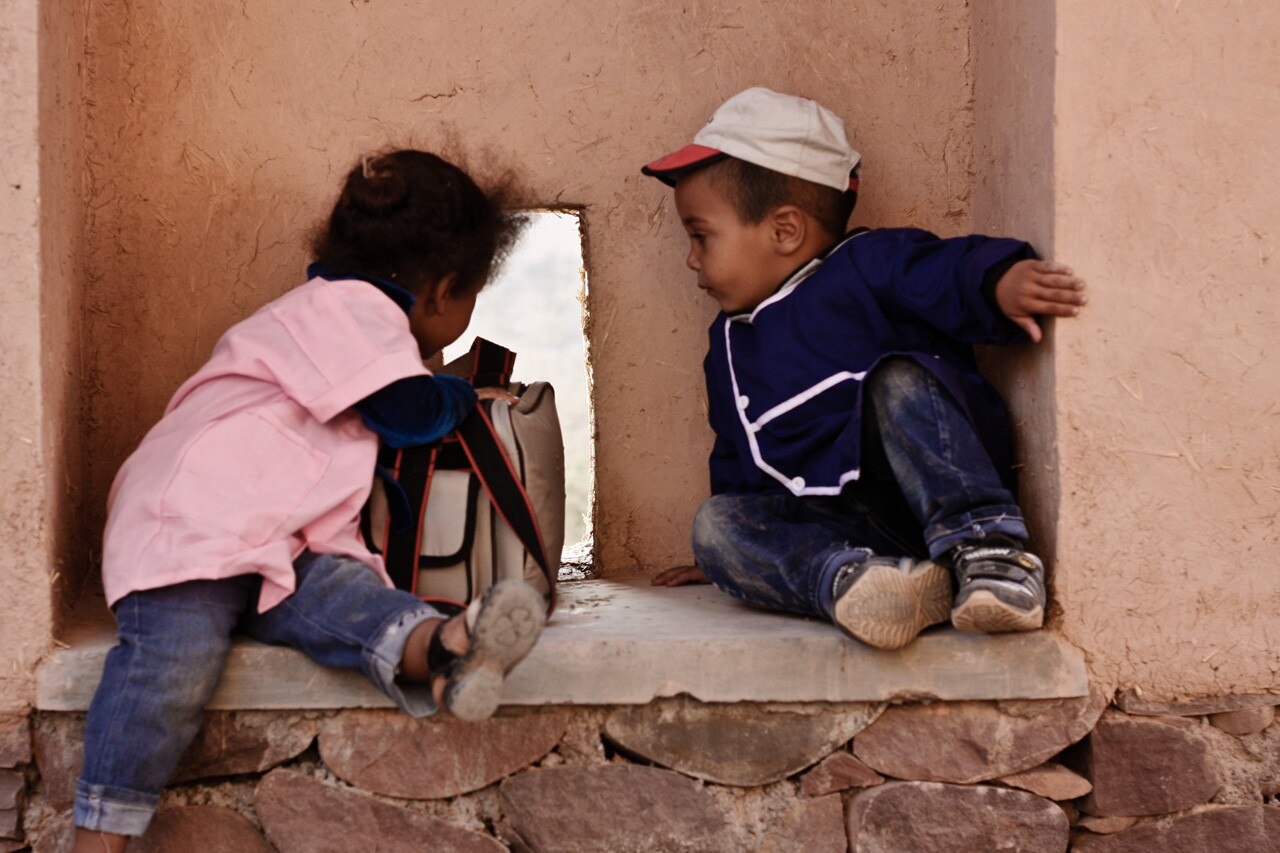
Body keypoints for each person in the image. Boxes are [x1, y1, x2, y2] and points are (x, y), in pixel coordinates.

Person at [72, 150, 547, 851]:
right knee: (169, 665)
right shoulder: (347, 309)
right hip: (195, 521)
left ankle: (445, 645)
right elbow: (410, 411)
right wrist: (456, 390)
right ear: (445, 290)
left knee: (348, 599)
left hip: (278, 538)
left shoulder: (347, 312)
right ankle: (98, 837)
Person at [646, 88, 1087, 652]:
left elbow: (945, 271)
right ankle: (860, 586)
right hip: (845, 536)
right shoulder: (728, 342)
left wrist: (998, 283)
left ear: (785, 231)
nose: (691, 258)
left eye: (700, 235)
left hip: (926, 500)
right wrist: (745, 553)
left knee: (899, 379)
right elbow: (739, 457)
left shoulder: (868, 265)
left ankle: (991, 555)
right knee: (714, 524)